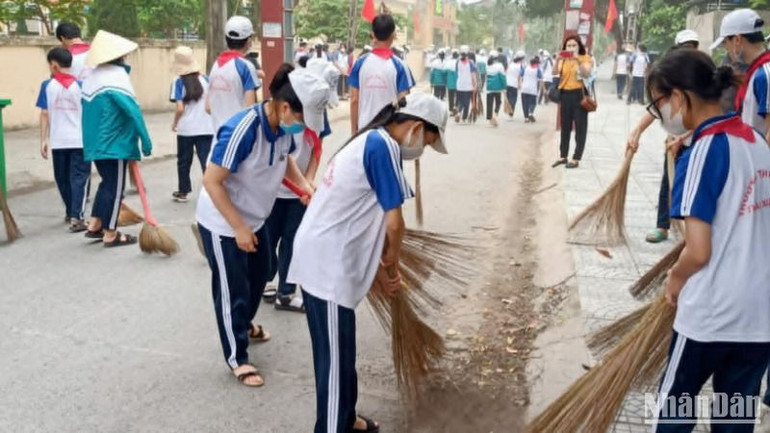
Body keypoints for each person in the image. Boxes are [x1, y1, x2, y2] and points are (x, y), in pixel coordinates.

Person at [287, 92, 448, 433]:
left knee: (343, 351)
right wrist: (392, 263)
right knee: (333, 360)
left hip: (332, 258)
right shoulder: (382, 147)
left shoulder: (372, 141)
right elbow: (394, 222)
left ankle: (346, 419)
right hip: (325, 266)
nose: (423, 150)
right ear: (417, 128)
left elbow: (365, 219)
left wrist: (382, 266)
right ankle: (332, 425)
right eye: (428, 142)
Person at [646, 48, 770, 432]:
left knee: (674, 411)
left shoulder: (704, 150)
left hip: (712, 314)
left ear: (679, 97)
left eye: (658, 104)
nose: (659, 114)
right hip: (759, 316)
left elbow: (698, 251)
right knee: (734, 419)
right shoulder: (756, 141)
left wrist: (675, 278)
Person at [196, 64, 327, 387]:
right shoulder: (243, 130)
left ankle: (244, 323)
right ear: (284, 108)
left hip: (255, 217)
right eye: (300, 118)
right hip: (224, 221)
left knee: (262, 270)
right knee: (232, 289)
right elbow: (212, 182)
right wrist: (238, 228)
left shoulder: (283, 131)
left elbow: (286, 163)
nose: (301, 126)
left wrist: (307, 189)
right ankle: (237, 357)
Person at [81, 30, 152, 247]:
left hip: (95, 143)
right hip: (115, 144)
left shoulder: (92, 78)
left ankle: (95, 224)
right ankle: (111, 233)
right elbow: (132, 111)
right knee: (115, 187)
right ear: (120, 57)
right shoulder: (117, 78)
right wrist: (146, 141)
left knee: (107, 183)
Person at [36, 47, 90, 232]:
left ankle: (70, 211)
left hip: (58, 141)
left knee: (62, 178)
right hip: (79, 140)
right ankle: (77, 216)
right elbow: (88, 115)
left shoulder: (46, 86)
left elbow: (44, 114)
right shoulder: (82, 87)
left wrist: (43, 139)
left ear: (54, 65)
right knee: (79, 178)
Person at [349, 14, 415, 134]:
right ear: (393, 36)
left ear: (373, 35)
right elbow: (404, 103)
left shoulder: (359, 63)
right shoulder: (400, 66)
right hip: (389, 134)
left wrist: (354, 132)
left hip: (364, 131)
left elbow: (354, 100)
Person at [711, 8, 770, 142]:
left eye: (726, 42)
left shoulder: (765, 74)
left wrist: (758, 161)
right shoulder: (754, 72)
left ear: (737, 40)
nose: (726, 48)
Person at [169, 46, 213, 203]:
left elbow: (180, 108)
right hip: (206, 127)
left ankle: (183, 191)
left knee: (183, 161)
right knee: (206, 161)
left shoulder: (178, 82)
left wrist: (175, 123)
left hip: (186, 129)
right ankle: (211, 191)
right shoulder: (206, 80)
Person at [207, 16, 260, 133]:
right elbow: (250, 109)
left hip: (217, 137)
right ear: (249, 41)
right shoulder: (246, 66)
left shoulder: (215, 66)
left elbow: (208, 107)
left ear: (226, 38)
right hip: (238, 136)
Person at [552, 36, 593, 169]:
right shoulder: (563, 60)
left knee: (580, 127)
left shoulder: (585, 58)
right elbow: (554, 73)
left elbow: (586, 74)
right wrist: (558, 59)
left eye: (573, 45)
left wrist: (577, 59)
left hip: (579, 95)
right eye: (568, 45)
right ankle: (563, 156)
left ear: (579, 46)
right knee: (565, 126)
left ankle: (576, 158)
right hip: (565, 95)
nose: (570, 48)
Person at [454, 45, 477, 123]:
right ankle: (463, 117)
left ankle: (459, 113)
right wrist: (475, 84)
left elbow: (457, 72)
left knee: (461, 101)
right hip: (468, 86)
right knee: (466, 102)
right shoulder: (471, 62)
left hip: (459, 85)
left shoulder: (457, 62)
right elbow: (473, 74)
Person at [485, 51, 506, 127]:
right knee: (498, 102)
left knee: (489, 103)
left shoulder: (487, 65)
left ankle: (489, 120)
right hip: (497, 87)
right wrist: (504, 87)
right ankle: (495, 114)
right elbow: (502, 77)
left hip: (489, 87)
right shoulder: (500, 65)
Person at [520, 56, 543, 123]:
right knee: (533, 103)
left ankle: (526, 118)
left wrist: (520, 84)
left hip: (524, 89)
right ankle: (530, 112)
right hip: (533, 90)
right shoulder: (537, 70)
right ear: (535, 63)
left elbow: (520, 76)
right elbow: (541, 79)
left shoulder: (525, 68)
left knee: (525, 104)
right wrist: (542, 88)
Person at [505, 51, 525, 120]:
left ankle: (509, 113)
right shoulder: (521, 66)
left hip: (507, 84)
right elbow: (520, 76)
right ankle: (511, 114)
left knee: (508, 99)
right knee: (513, 100)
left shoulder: (510, 64)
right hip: (514, 85)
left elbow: (506, 73)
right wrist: (519, 84)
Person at [445, 49, 459, 115]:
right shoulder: (459, 62)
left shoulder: (448, 62)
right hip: (458, 84)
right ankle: (456, 108)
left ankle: (451, 110)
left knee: (451, 97)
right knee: (457, 97)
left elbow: (444, 71)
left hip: (450, 83)